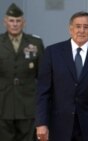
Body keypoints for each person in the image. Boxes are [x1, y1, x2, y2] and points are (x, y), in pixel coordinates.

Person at [35, 11, 88, 141]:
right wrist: (41, 123)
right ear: (70, 29)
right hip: (59, 126)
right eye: (78, 26)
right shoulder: (52, 53)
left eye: (86, 27)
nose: (81, 30)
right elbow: (43, 92)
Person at [0, 3, 44, 141]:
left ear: (23, 23)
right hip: (3, 104)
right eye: (11, 20)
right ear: (5, 22)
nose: (14, 24)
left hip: (28, 105)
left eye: (18, 21)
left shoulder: (35, 43)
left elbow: (43, 76)